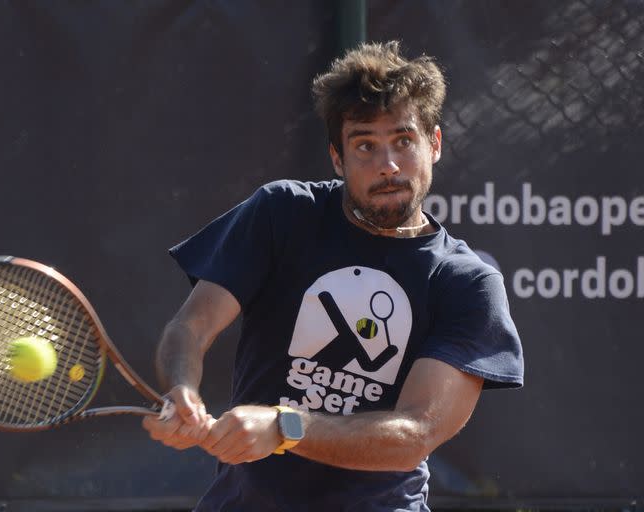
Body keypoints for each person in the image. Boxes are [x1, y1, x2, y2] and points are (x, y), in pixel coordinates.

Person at [143, 41, 524, 511]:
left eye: (404, 141)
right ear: (337, 158)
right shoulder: (281, 214)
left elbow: (415, 433)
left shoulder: (467, 282)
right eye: (365, 145)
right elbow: (191, 326)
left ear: (435, 144)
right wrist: (181, 388)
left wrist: (286, 427)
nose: (388, 165)